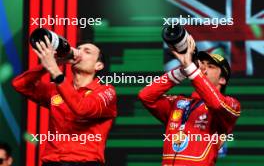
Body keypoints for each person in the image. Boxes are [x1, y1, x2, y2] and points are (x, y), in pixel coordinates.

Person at [12, 36, 117, 166]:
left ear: (98, 65)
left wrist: (55, 71)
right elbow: (20, 84)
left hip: (85, 163)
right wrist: (48, 65)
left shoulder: (106, 91)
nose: (79, 52)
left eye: (87, 51)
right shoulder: (55, 90)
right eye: (78, 49)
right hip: (51, 162)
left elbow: (82, 109)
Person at [138, 35, 241, 166]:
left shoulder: (231, 105)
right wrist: (182, 71)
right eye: (201, 64)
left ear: (222, 80)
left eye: (210, 66)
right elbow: (145, 96)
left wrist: (191, 70)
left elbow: (217, 104)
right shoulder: (178, 102)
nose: (203, 68)